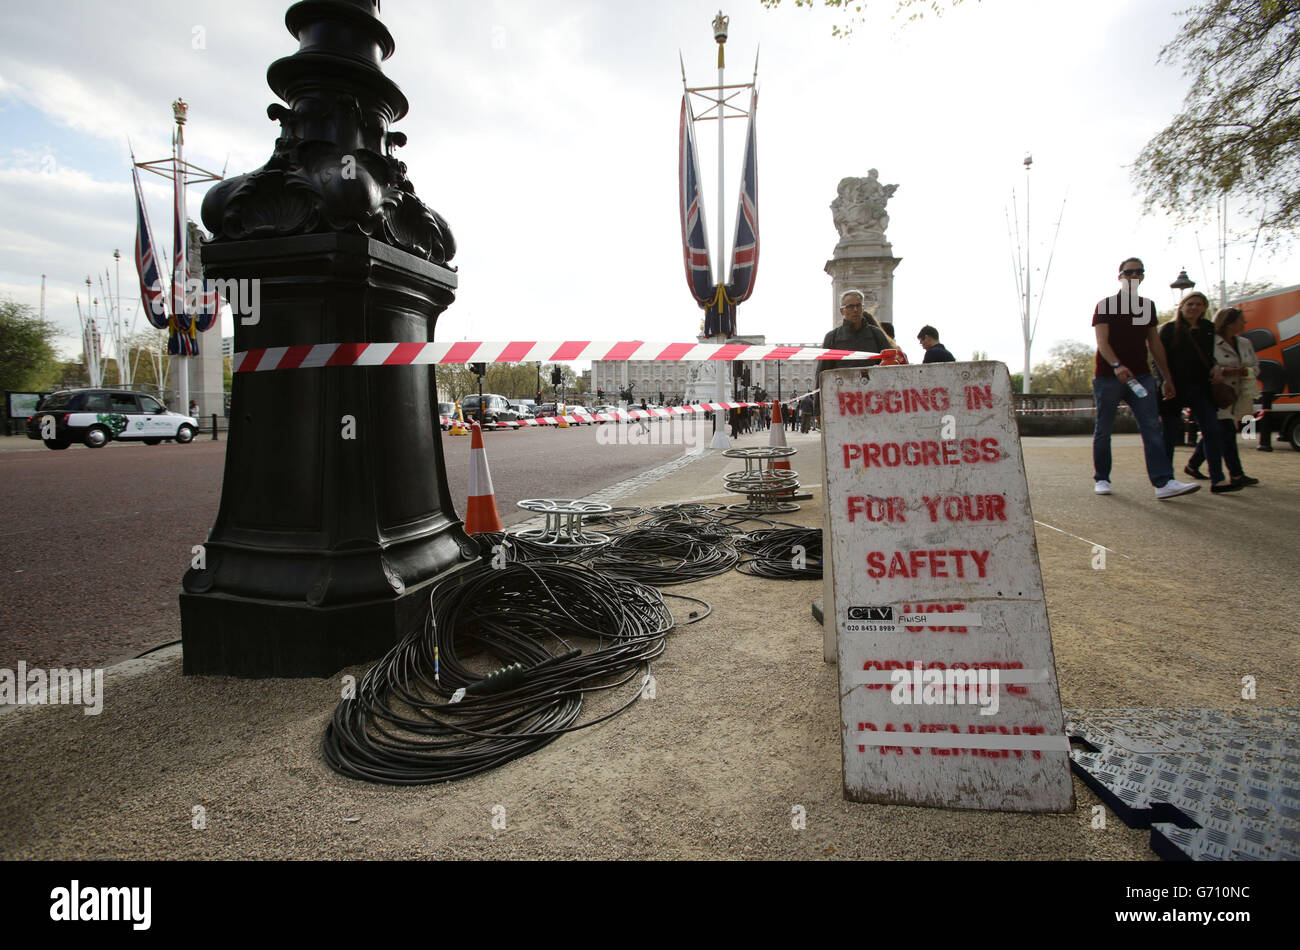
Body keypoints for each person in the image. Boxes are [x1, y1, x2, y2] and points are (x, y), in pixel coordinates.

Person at [1091, 257, 1200, 499]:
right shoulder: (1107, 305)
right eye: (1129, 272)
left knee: (1152, 427)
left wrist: (1167, 378)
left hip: (1141, 376)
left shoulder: (1145, 307)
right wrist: (1117, 365)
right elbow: (1102, 342)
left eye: (1139, 272)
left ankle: (1163, 483)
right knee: (1104, 429)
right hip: (1109, 376)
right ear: (1120, 276)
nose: (1134, 276)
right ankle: (1102, 478)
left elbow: (1154, 343)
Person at [1157, 291, 1241, 494]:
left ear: (1204, 308)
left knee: (1213, 430)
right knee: (1169, 435)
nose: (1193, 308)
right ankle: (1166, 480)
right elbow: (1157, 359)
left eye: (1198, 304)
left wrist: (1215, 367)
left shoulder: (1208, 329)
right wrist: (1164, 382)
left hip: (1200, 386)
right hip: (1174, 387)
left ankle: (1218, 479)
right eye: (1190, 304)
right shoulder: (1168, 329)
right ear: (1182, 306)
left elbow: (1209, 356)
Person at [1184, 307, 1259, 486]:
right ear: (1229, 322)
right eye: (1241, 320)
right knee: (1225, 432)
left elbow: (1255, 365)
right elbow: (1204, 366)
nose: (1245, 323)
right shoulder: (1210, 342)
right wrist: (1230, 371)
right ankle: (1236, 474)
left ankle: (1193, 465)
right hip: (1218, 394)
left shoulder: (1245, 343)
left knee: (1214, 432)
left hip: (1239, 393)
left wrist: (1247, 371)